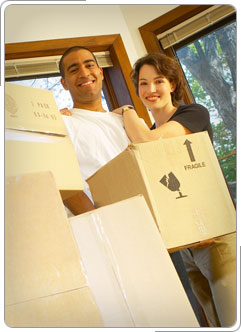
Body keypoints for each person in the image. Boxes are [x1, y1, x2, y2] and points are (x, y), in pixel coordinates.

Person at [112, 52, 236, 327]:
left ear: (172, 84)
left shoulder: (193, 113)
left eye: (158, 81)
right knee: (213, 320)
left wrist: (126, 110)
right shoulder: (151, 127)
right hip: (185, 244)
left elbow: (147, 142)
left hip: (215, 235)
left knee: (232, 317)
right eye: (143, 83)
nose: (151, 89)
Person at [59, 46, 130, 215]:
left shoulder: (127, 121)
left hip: (146, 219)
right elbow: (63, 184)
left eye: (89, 65)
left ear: (100, 72)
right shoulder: (61, 123)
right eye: (74, 70)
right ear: (64, 83)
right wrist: (101, 224)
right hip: (101, 227)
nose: (84, 74)